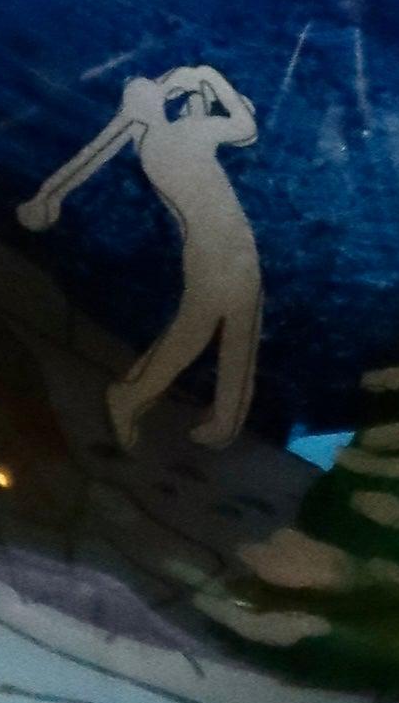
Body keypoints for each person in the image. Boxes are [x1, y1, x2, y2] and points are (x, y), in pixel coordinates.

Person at [21, 64, 263, 447]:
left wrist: (49, 195)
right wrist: (208, 77)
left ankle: (220, 420)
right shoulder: (188, 134)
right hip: (224, 253)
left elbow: (97, 150)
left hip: (216, 250)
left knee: (233, 324)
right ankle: (134, 398)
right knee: (209, 330)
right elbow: (244, 125)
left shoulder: (153, 145)